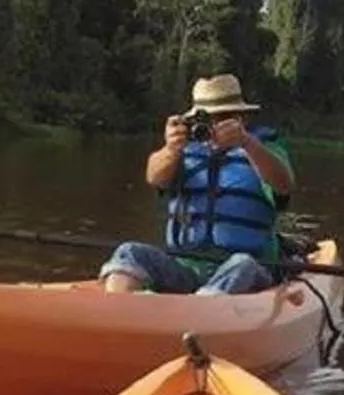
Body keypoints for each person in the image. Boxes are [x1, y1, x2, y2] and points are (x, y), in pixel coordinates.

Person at [99, 73, 295, 295]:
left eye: (224, 117)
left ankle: (198, 311)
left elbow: (284, 185)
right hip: (186, 269)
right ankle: (120, 309)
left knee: (243, 264)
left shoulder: (264, 147)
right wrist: (171, 148)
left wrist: (247, 142)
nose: (215, 125)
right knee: (129, 252)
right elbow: (155, 177)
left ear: (242, 118)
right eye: (207, 119)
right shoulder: (183, 150)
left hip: (248, 269)